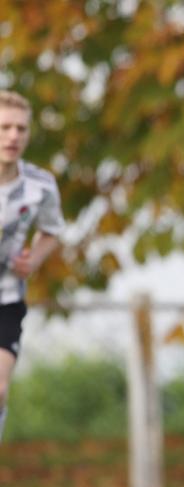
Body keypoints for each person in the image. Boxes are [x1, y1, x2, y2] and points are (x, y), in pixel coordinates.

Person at [0, 91, 65, 443]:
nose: (13, 136)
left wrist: (34, 260)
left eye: (20, 129)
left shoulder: (40, 185)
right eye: (5, 127)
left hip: (6, 299)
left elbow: (52, 231)